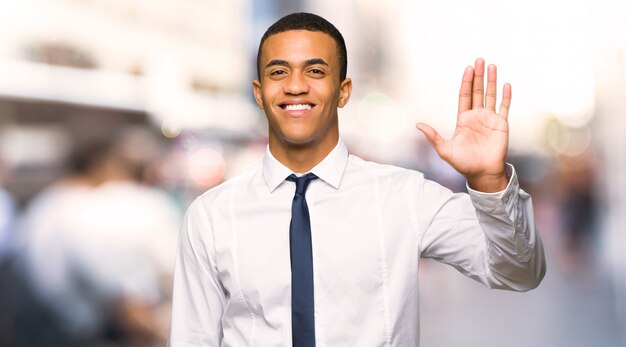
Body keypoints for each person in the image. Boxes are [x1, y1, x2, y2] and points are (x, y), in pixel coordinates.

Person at [169, 12, 546, 346]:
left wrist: (489, 181)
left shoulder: (404, 196)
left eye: (315, 71)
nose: (296, 85)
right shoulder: (211, 216)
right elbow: (192, 338)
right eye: (278, 71)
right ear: (259, 92)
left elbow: (519, 272)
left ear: (344, 91)